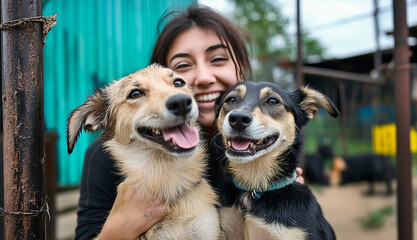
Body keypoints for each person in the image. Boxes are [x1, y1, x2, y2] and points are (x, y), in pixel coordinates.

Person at [75, 3, 304, 239]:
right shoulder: (104, 156)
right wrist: (122, 224)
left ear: (241, 68)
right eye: (183, 66)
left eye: (218, 59)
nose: (204, 78)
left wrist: (280, 189)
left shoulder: (255, 145)